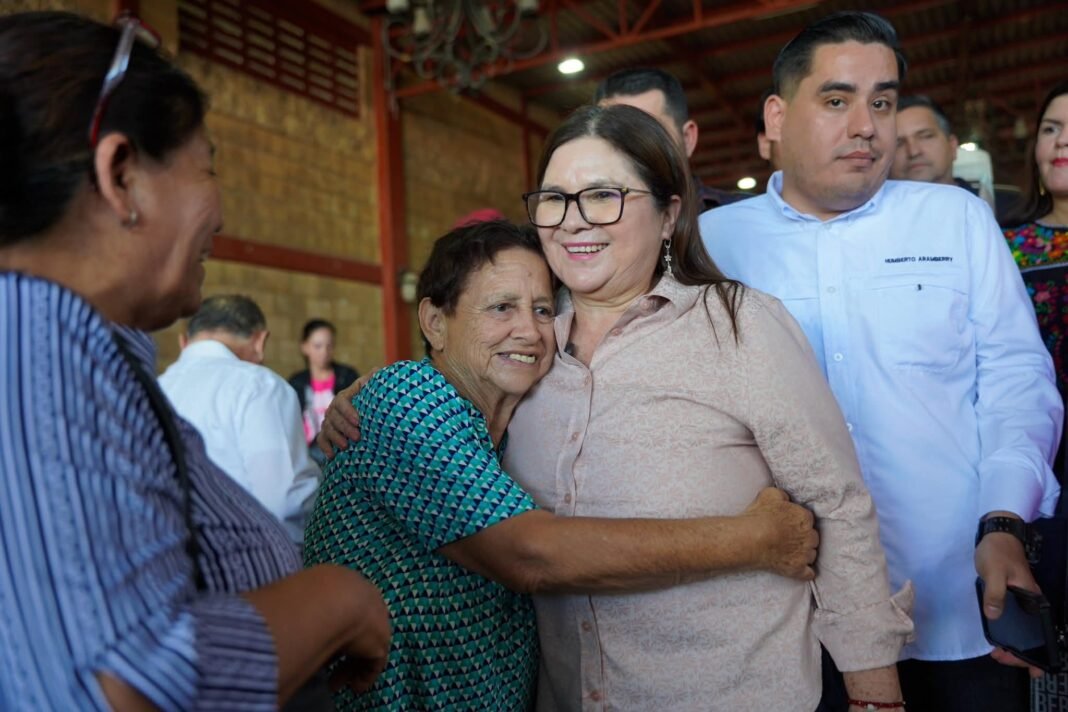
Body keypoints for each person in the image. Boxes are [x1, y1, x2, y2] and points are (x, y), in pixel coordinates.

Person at [323, 105, 914, 710]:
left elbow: (836, 505)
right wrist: (379, 388)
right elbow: (465, 425)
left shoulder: (738, 325)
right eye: (555, 198)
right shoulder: (530, 355)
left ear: (669, 214)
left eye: (603, 195)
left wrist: (874, 692)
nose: (575, 221)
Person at [0, 11, 390, 710]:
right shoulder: (38, 336)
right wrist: (340, 601)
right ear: (121, 175)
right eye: (206, 168)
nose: (222, 214)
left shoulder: (87, 343)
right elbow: (127, 684)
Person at [305, 217, 825, 710]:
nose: (529, 331)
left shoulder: (509, 426)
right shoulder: (411, 396)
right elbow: (531, 554)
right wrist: (756, 540)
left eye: (541, 309)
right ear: (435, 322)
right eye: (501, 308)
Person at [700, 12, 1062, 712]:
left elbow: (1017, 380)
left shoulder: (953, 220)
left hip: (958, 606)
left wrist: (1004, 522)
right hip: (789, 624)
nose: (866, 124)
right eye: (836, 100)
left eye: (884, 102)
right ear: (777, 116)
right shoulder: (715, 245)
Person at [160, 294, 320, 543]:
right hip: (254, 566)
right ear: (260, 341)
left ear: (184, 342)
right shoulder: (261, 386)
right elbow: (285, 504)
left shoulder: (153, 389)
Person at [594, 67, 745, 210]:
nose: (633, 149)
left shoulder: (744, 217)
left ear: (687, 139)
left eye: (650, 133)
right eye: (616, 136)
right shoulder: (578, 221)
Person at [289, 318, 360, 456]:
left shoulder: (347, 376)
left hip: (343, 448)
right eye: (318, 346)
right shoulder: (296, 383)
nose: (324, 351)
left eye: (329, 346)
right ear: (304, 347)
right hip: (307, 453)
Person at [890, 94, 978, 195]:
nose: (913, 152)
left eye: (926, 136)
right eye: (898, 144)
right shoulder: (874, 210)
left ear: (952, 146)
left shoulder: (993, 205)